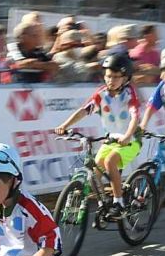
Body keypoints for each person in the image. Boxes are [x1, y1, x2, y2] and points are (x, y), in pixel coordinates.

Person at [55, 53, 141, 217]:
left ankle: (119, 202)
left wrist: (128, 135)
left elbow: (135, 117)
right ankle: (103, 202)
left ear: (126, 79)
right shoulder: (101, 94)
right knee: (95, 172)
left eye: (116, 77)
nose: (111, 80)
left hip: (131, 140)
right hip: (110, 140)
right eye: (108, 76)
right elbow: (83, 111)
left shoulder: (130, 94)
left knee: (110, 162)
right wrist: (64, 126)